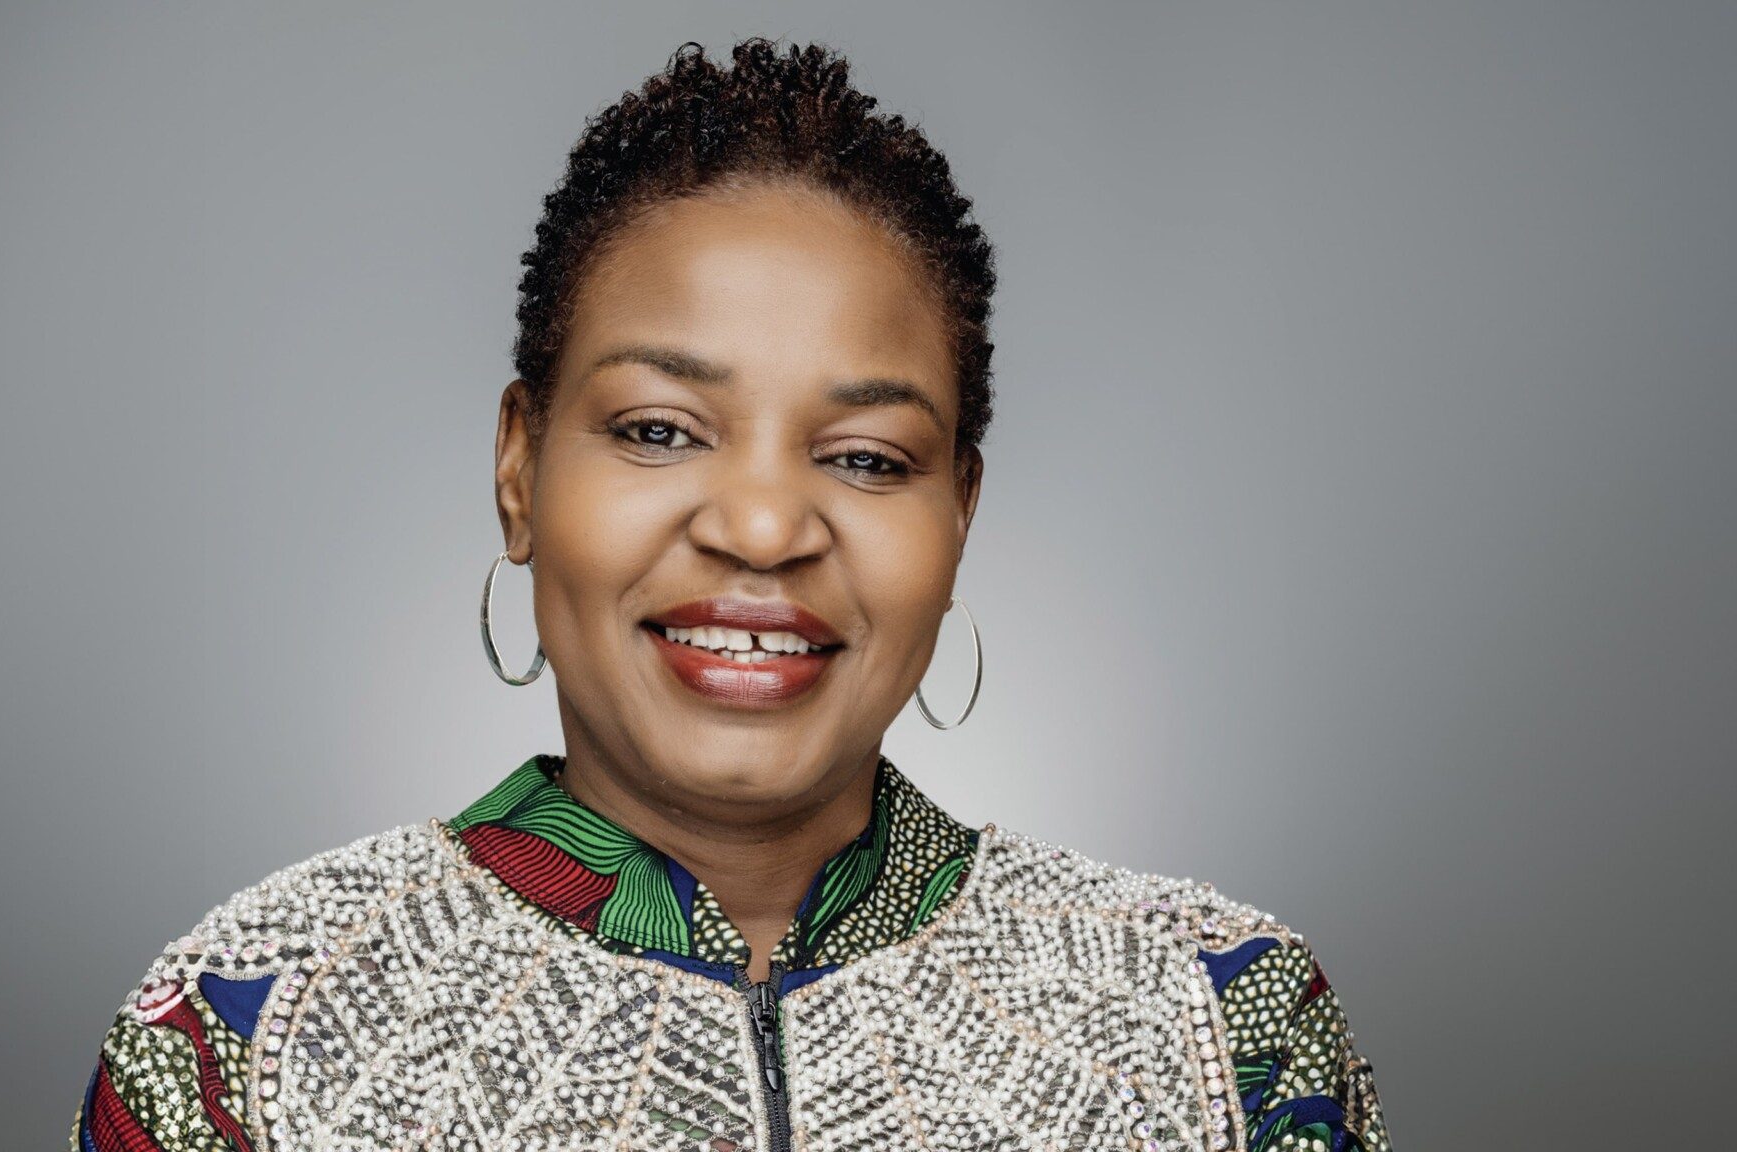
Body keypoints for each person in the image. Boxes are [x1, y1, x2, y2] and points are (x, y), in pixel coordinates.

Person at [67, 38, 1392, 1152]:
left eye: (867, 458)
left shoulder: (1221, 1022)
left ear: (960, 513)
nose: (763, 527)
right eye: (659, 430)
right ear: (519, 470)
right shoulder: (242, 1030)